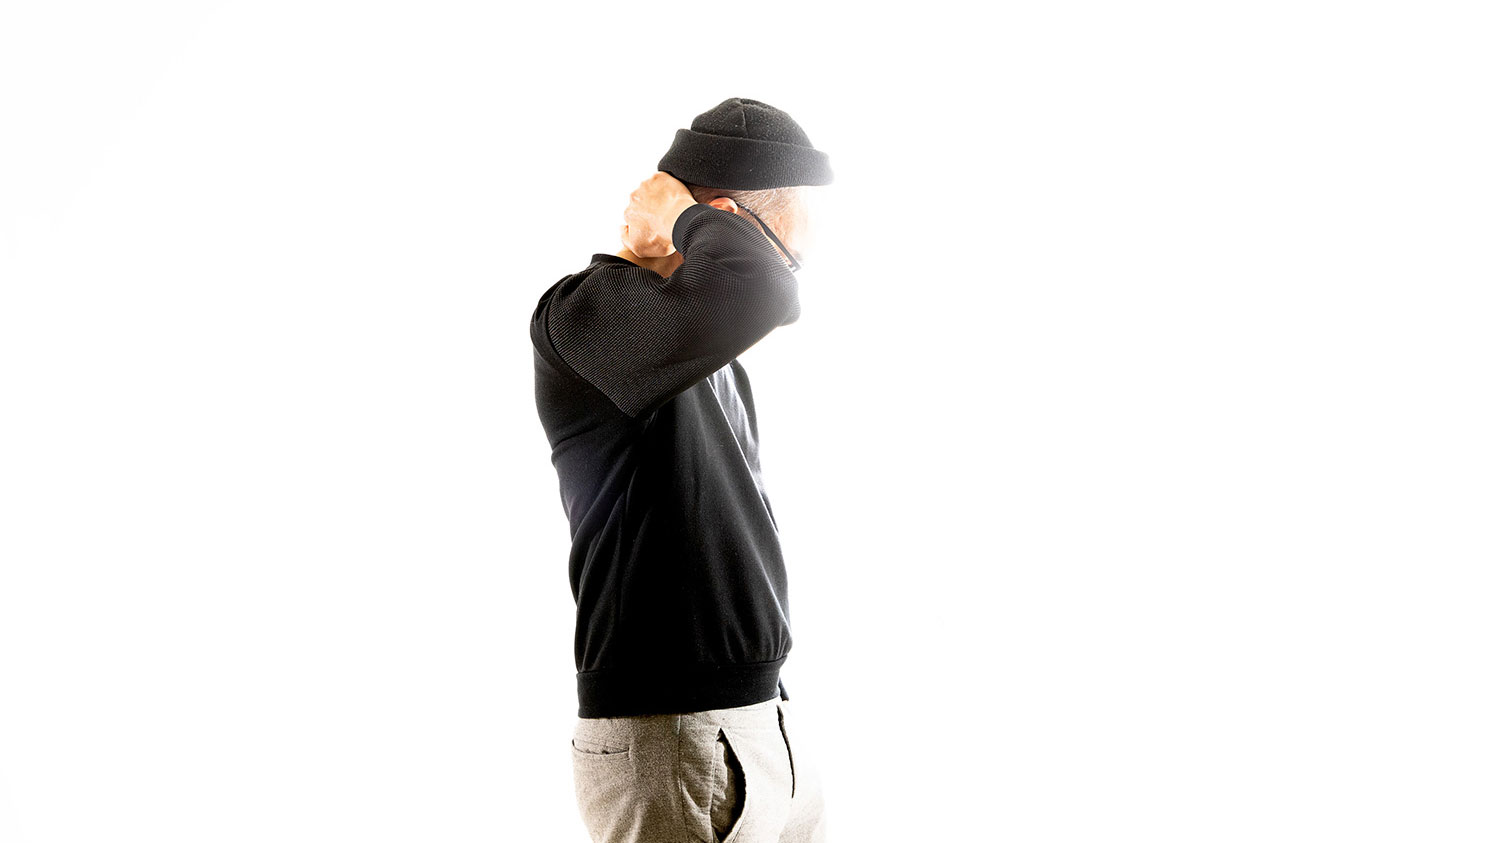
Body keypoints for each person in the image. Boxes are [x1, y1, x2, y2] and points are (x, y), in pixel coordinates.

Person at [529, 98, 831, 843]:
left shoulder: (695, 342)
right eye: (782, 251)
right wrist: (682, 218)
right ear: (719, 218)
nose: (786, 276)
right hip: (674, 734)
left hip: (762, 722)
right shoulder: (590, 316)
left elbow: (760, 292)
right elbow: (763, 288)